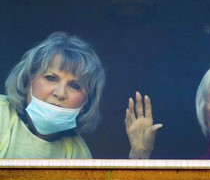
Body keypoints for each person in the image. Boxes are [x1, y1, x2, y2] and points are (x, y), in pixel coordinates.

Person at [1, 31, 161, 158]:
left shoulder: (78, 153)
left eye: (75, 85)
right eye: (51, 78)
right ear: (28, 81)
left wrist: (139, 156)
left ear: (85, 104)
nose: (60, 93)